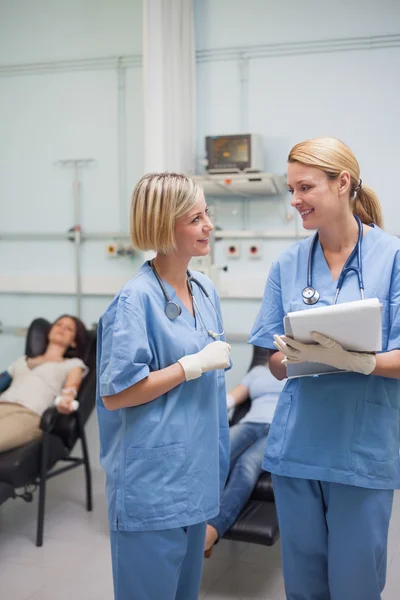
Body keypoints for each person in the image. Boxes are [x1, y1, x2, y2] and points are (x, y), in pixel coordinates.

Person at [249, 136, 400, 600]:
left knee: (355, 587)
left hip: (362, 453)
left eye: (305, 188)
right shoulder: (289, 263)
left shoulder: (393, 257)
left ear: (343, 184)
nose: (294, 200)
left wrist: (357, 361)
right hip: (297, 450)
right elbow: (270, 361)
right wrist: (292, 357)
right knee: (304, 587)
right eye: (291, 190)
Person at [96, 172, 231, 600]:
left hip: (198, 474)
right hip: (153, 485)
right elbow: (115, 394)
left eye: (206, 213)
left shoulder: (205, 289)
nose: (208, 224)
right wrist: (188, 367)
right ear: (163, 225)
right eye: (195, 217)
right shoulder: (134, 300)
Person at [204, 362, 285, 557]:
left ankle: (211, 531)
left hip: (281, 429)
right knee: (215, 455)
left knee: (246, 465)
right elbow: (232, 398)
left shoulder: (301, 372)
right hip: (249, 423)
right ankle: (192, 519)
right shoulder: (257, 372)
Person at [0, 315, 88, 453]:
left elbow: (70, 389)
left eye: (69, 329)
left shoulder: (73, 364)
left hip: (28, 414)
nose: (62, 329)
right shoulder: (22, 361)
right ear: (49, 331)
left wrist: (66, 400)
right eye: (59, 324)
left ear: (73, 342)